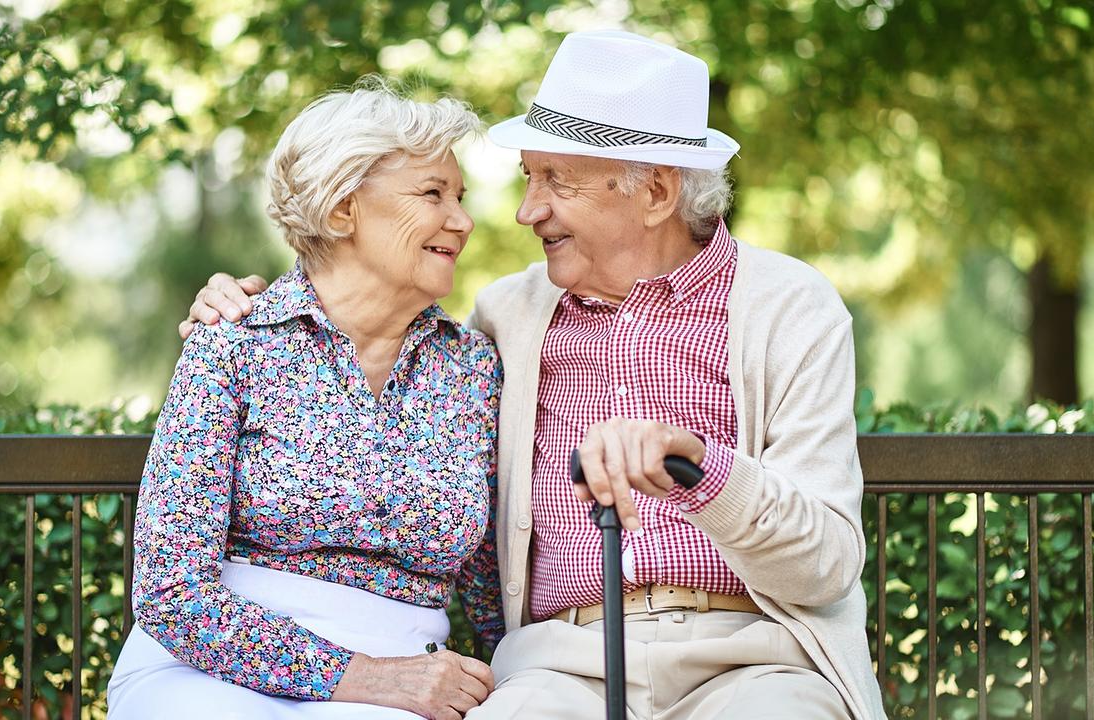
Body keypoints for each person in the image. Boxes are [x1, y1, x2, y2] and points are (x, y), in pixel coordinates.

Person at [185, 31, 887, 720]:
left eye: (558, 180)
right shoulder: (507, 318)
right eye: (529, 177)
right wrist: (243, 306)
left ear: (657, 191)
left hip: (756, 659)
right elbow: (360, 314)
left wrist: (699, 467)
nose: (527, 211)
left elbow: (824, 566)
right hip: (563, 666)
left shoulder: (789, 307)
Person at [107, 79, 504, 720]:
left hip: (408, 677)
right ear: (343, 209)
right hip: (204, 668)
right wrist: (360, 677)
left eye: (460, 197)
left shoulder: (472, 367)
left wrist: (509, 684)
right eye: (433, 194)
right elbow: (171, 590)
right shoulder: (233, 343)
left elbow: (490, 583)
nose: (462, 221)